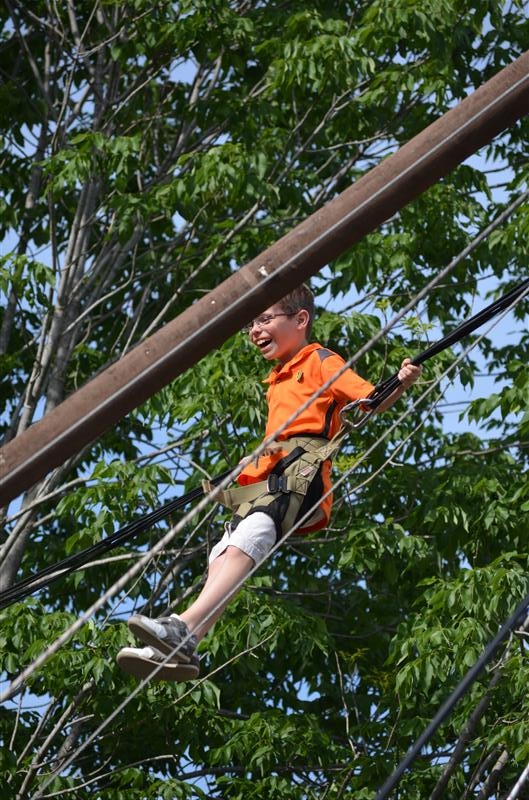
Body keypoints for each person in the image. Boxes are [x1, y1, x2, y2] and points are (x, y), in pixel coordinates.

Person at [117, 284, 421, 682]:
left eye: (264, 320)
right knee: (224, 553)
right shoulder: (278, 377)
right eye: (250, 324)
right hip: (272, 475)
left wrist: (401, 382)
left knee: (254, 533)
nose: (255, 331)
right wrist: (258, 457)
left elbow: (369, 401)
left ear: (300, 320)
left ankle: (182, 626)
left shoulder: (320, 360)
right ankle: (189, 642)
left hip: (300, 475)